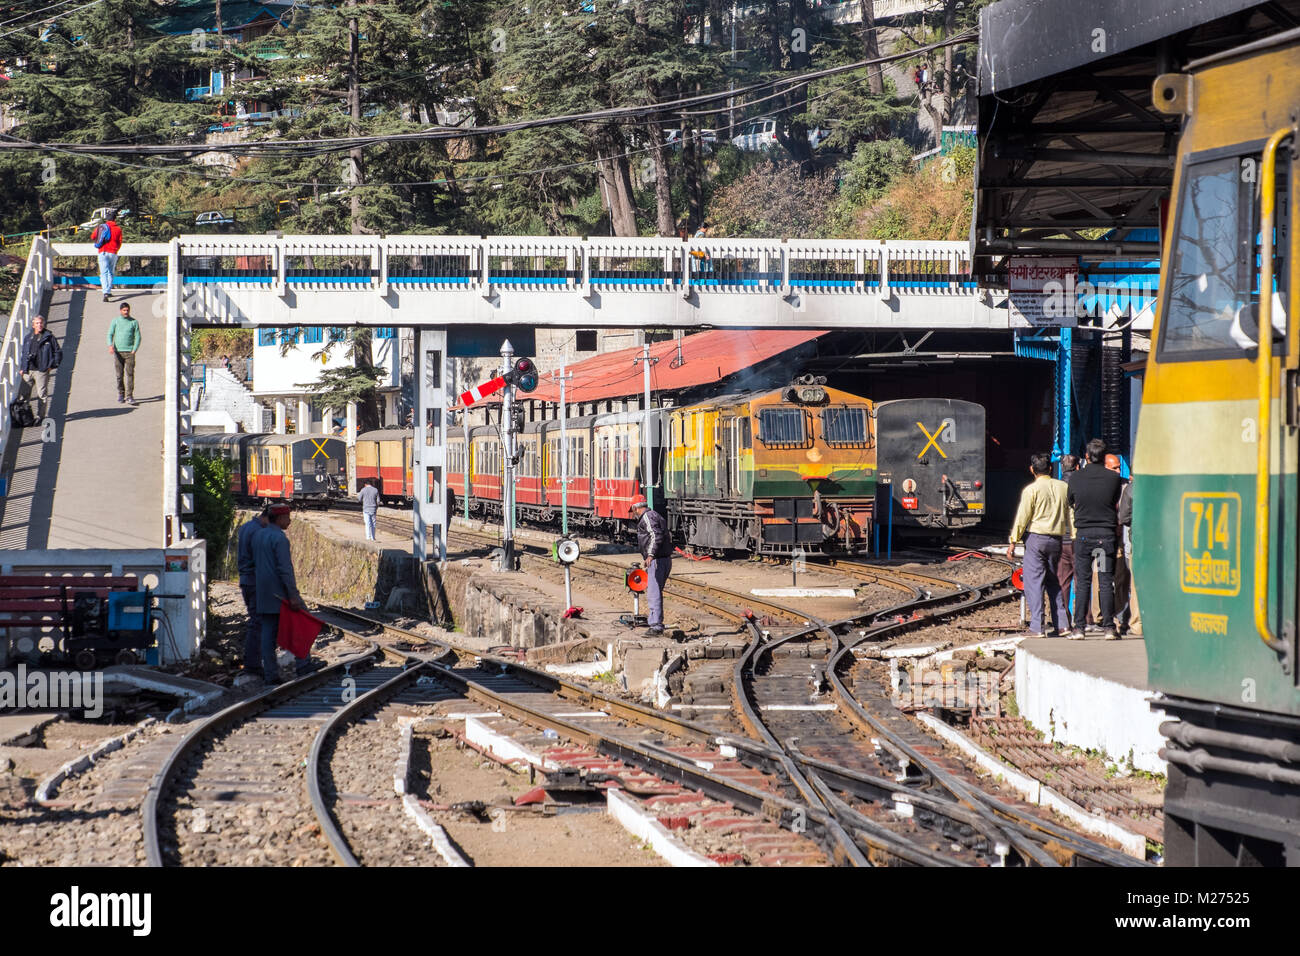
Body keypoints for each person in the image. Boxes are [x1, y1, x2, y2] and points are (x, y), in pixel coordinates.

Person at [1006, 453, 1072, 637]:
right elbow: (1070, 514)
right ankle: (1063, 625)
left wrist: (1013, 541)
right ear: (1050, 469)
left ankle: (1037, 627)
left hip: (1036, 539)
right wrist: (1072, 535)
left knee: (1034, 583)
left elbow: (1022, 517)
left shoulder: (1031, 490)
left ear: (1032, 470)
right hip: (1056, 540)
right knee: (1054, 582)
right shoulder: (1063, 487)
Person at [1067, 438, 1125, 640]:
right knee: (1105, 580)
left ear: (1086, 456)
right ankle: (1109, 627)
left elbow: (1071, 500)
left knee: (1082, 582)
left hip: (1084, 536)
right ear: (1104, 456)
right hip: (1105, 537)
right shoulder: (1113, 479)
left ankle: (1079, 628)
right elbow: (1114, 501)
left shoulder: (1075, 478)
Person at [252, 503, 306, 684]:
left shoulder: (258, 535)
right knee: (301, 624)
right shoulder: (280, 539)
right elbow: (285, 569)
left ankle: (270, 674)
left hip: (262, 592)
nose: (290, 521)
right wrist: (293, 594)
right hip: (279, 593)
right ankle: (303, 664)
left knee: (267, 633)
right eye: (288, 517)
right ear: (281, 518)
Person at [235, 506, 271, 675]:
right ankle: (253, 663)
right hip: (255, 580)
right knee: (258, 622)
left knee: (255, 620)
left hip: (245, 579)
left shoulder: (245, 527)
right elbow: (260, 560)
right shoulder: (259, 532)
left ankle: (254, 661)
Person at [631, 498, 672, 636]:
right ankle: (655, 621)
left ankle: (656, 626)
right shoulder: (655, 515)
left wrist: (650, 555)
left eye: (632, 511)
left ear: (636, 508)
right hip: (663, 559)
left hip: (657, 560)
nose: (632, 514)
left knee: (653, 594)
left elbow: (656, 535)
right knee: (656, 592)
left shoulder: (647, 517)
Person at [21, 314, 62, 421]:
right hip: (28, 370)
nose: (39, 325)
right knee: (24, 394)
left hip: (41, 370)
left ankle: (40, 416)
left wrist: (52, 365)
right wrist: (22, 368)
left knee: (41, 394)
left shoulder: (49, 337)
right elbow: (24, 353)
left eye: (41, 323)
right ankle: (25, 416)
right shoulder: (28, 337)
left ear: (44, 324)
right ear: (33, 325)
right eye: (37, 323)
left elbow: (58, 352)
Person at [1055, 453, 1080, 629]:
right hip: (1078, 537)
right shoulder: (1082, 484)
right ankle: (1084, 619)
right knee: (1082, 580)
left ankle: (1063, 620)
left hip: (1060, 538)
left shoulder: (1056, 487)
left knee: (1062, 582)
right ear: (1077, 467)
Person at [106, 302, 140, 406]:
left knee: (130, 374)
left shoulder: (134, 322)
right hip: (118, 352)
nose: (126, 312)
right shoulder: (115, 321)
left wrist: (134, 349)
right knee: (119, 375)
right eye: (124, 310)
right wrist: (110, 345)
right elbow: (110, 334)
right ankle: (121, 393)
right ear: (120, 311)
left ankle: (129, 396)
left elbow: (138, 337)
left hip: (130, 352)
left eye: (127, 310)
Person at [93, 210, 124, 302]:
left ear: (106, 219)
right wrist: (116, 249)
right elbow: (120, 242)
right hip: (113, 252)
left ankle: (105, 292)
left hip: (103, 251)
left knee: (103, 273)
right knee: (111, 272)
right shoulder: (118, 229)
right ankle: (109, 290)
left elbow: (93, 236)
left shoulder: (102, 227)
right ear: (115, 219)